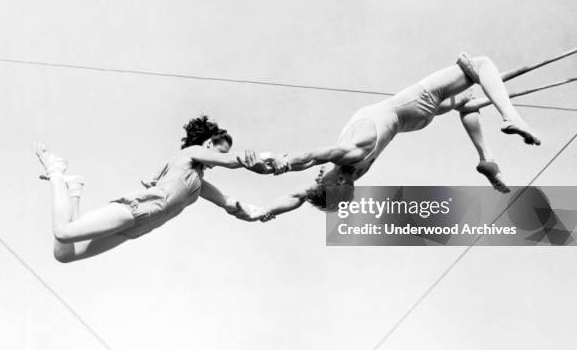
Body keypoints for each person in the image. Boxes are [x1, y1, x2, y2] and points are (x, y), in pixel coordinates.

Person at [240, 53, 541, 219]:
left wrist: (265, 210)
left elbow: (298, 196)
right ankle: (511, 117)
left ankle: (486, 158)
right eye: (323, 180)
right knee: (480, 65)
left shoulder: (346, 175)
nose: (318, 176)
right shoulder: (350, 155)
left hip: (412, 121)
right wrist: (283, 162)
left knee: (466, 102)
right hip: (410, 106)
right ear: (340, 183)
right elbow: (312, 155)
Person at [36, 116, 272, 263]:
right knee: (64, 233)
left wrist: (257, 212)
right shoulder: (191, 153)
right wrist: (263, 158)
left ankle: (74, 188)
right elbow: (232, 161)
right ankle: (54, 169)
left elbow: (227, 202)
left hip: (141, 227)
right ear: (209, 143)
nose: (220, 158)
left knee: (64, 254)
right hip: (141, 208)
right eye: (221, 151)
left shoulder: (197, 183)